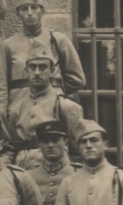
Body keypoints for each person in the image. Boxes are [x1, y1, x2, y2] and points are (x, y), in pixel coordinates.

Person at [5, 40, 84, 170]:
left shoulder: (66, 106)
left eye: (42, 67)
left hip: (55, 169)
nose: (37, 72)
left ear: (52, 71)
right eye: (32, 67)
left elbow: (77, 150)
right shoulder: (16, 108)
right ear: (26, 70)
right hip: (22, 169)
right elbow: (11, 146)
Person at [3, 0, 86, 104]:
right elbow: (2, 83)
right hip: (19, 105)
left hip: (51, 105)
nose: (30, 13)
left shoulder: (58, 39)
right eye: (24, 9)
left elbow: (77, 79)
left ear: (42, 11)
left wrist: (55, 92)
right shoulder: (8, 45)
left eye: (34, 7)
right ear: (17, 14)